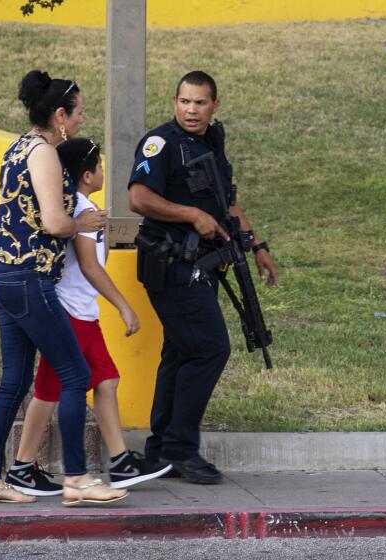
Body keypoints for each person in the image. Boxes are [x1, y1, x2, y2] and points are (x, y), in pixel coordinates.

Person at [0, 71, 127, 507]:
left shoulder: (19, 146)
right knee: (76, 375)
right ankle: (77, 479)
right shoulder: (44, 155)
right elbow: (54, 223)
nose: (81, 121)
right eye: (78, 113)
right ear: (59, 115)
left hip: (4, 278)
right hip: (29, 280)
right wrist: (82, 223)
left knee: (14, 383)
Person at [128, 71, 278, 484]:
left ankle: (161, 449)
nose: (192, 111)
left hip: (201, 267)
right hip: (172, 264)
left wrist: (257, 245)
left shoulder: (212, 142)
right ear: (174, 101)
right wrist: (192, 215)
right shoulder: (161, 144)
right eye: (185, 102)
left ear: (215, 105)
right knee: (209, 349)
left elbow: (226, 201)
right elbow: (138, 197)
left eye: (200, 103)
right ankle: (180, 450)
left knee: (180, 352)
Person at [4, 138, 172, 497]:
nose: (103, 170)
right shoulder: (79, 211)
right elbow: (92, 268)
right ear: (85, 174)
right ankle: (22, 466)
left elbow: (98, 257)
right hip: (68, 313)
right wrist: (124, 307)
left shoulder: (85, 209)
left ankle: (120, 462)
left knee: (107, 380)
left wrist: (103, 228)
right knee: (49, 391)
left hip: (84, 313)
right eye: (98, 165)